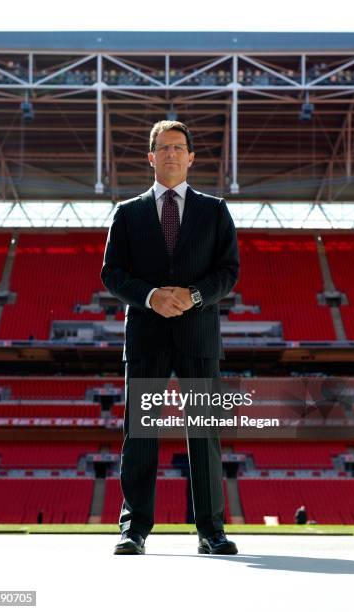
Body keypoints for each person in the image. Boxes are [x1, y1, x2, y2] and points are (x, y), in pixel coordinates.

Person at [101, 119, 240, 555]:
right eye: (163, 148)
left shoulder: (215, 210)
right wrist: (150, 296)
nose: (172, 154)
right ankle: (134, 529)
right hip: (146, 335)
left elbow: (229, 271)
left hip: (198, 335)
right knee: (139, 434)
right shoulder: (127, 213)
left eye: (179, 147)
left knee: (204, 433)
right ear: (151, 157)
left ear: (192, 156)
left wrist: (194, 295)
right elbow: (112, 273)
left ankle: (211, 532)